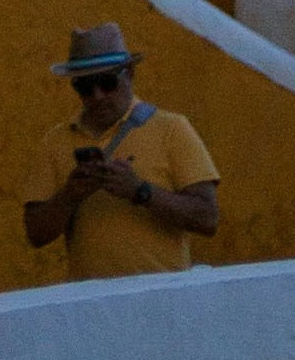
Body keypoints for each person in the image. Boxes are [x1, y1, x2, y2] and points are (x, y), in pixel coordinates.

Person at [23, 19, 221, 271]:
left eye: (107, 83)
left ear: (129, 74)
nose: (97, 96)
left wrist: (139, 191)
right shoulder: (56, 140)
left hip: (160, 300)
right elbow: (35, 234)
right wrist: (71, 194)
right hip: (91, 302)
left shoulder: (172, 128)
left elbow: (208, 218)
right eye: (85, 87)